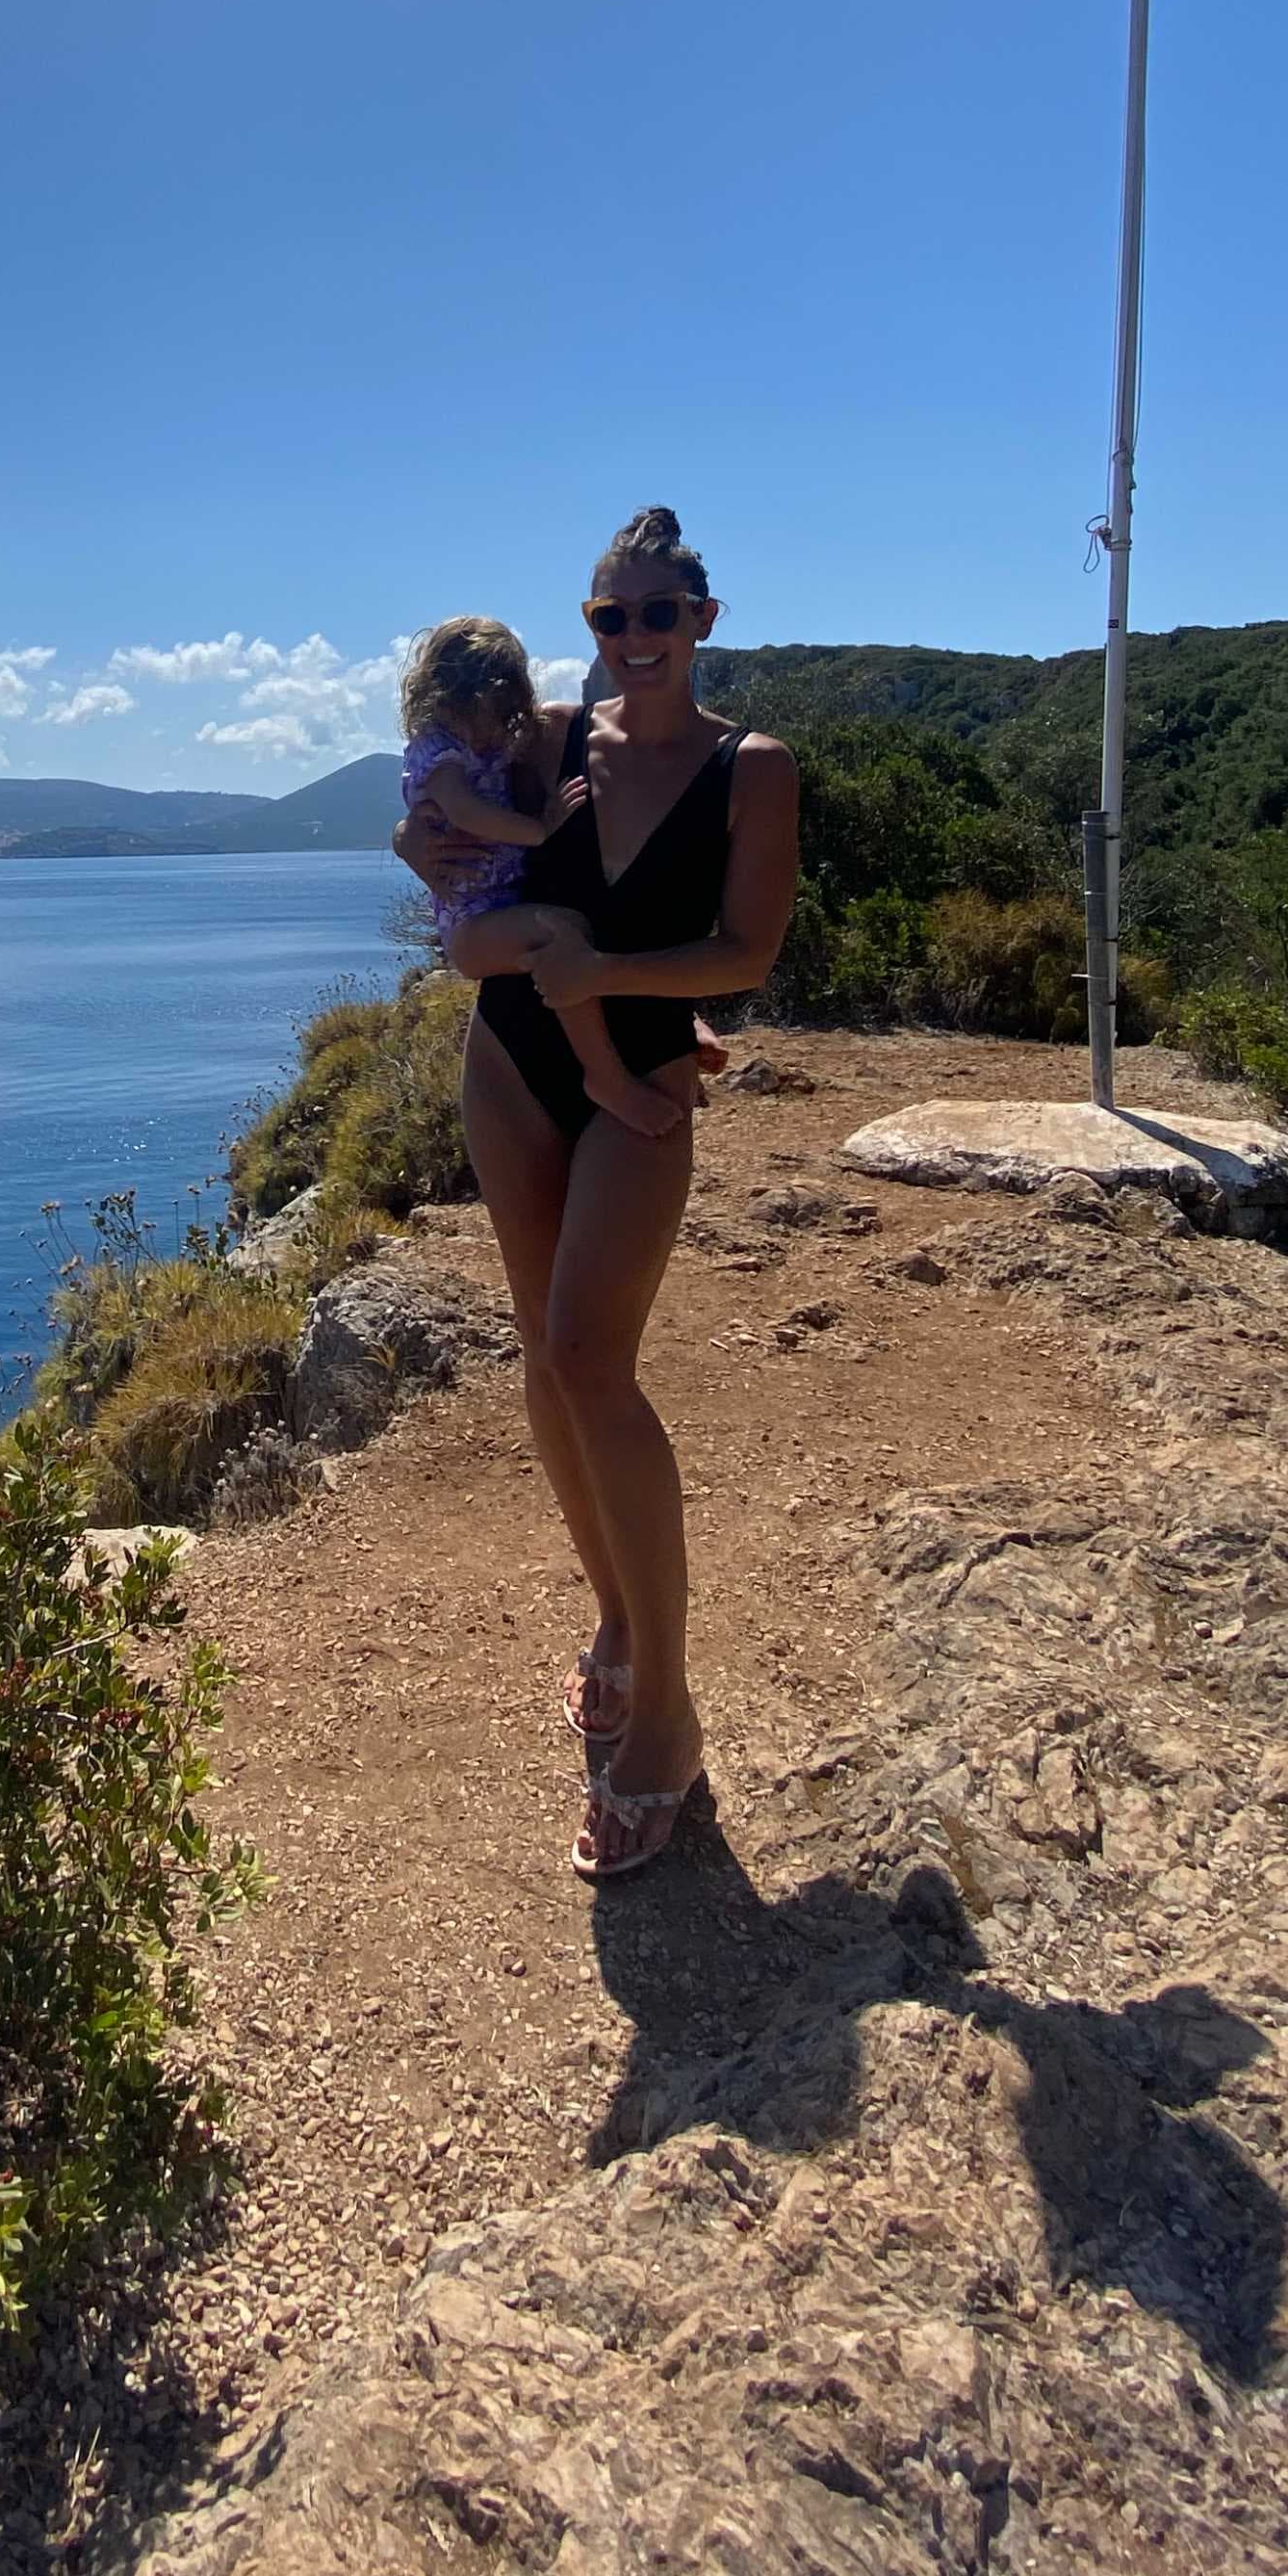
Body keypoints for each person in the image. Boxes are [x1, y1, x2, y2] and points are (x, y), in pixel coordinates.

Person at [395, 509, 799, 1881]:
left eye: (656, 613)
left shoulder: (752, 768)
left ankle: (667, 1714)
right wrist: (419, 852)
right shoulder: (555, 738)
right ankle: (619, 1625)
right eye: (607, 616)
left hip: (638, 1081)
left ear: (703, 620)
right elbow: (432, 820)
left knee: (589, 1358)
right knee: (541, 1356)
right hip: (511, 1065)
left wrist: (619, 983)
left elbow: (745, 947)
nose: (633, 638)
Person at [399, 614, 687, 1142]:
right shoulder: (439, 751)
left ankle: (674, 1031)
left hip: (500, 907)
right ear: (460, 697)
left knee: (581, 930)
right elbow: (464, 812)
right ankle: (606, 1077)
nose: (501, 719)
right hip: (471, 926)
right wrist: (541, 828)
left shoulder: (489, 747)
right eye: (494, 705)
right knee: (561, 934)